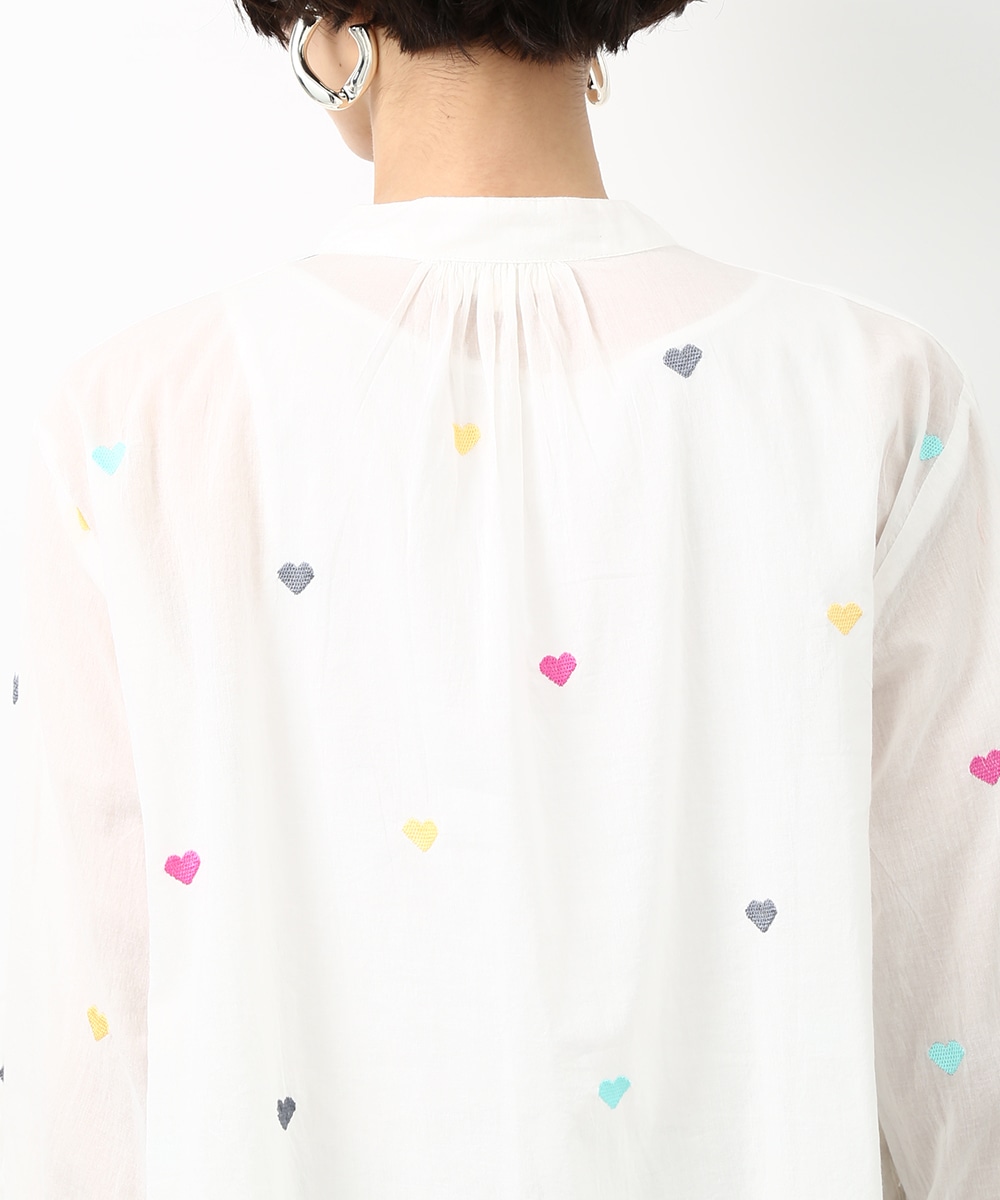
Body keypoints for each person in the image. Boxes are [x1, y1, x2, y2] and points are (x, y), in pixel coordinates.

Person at [2, 2, 998, 1197]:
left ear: (332, 34)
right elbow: (958, 1003)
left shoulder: (133, 422)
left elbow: (95, 1027)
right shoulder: (868, 395)